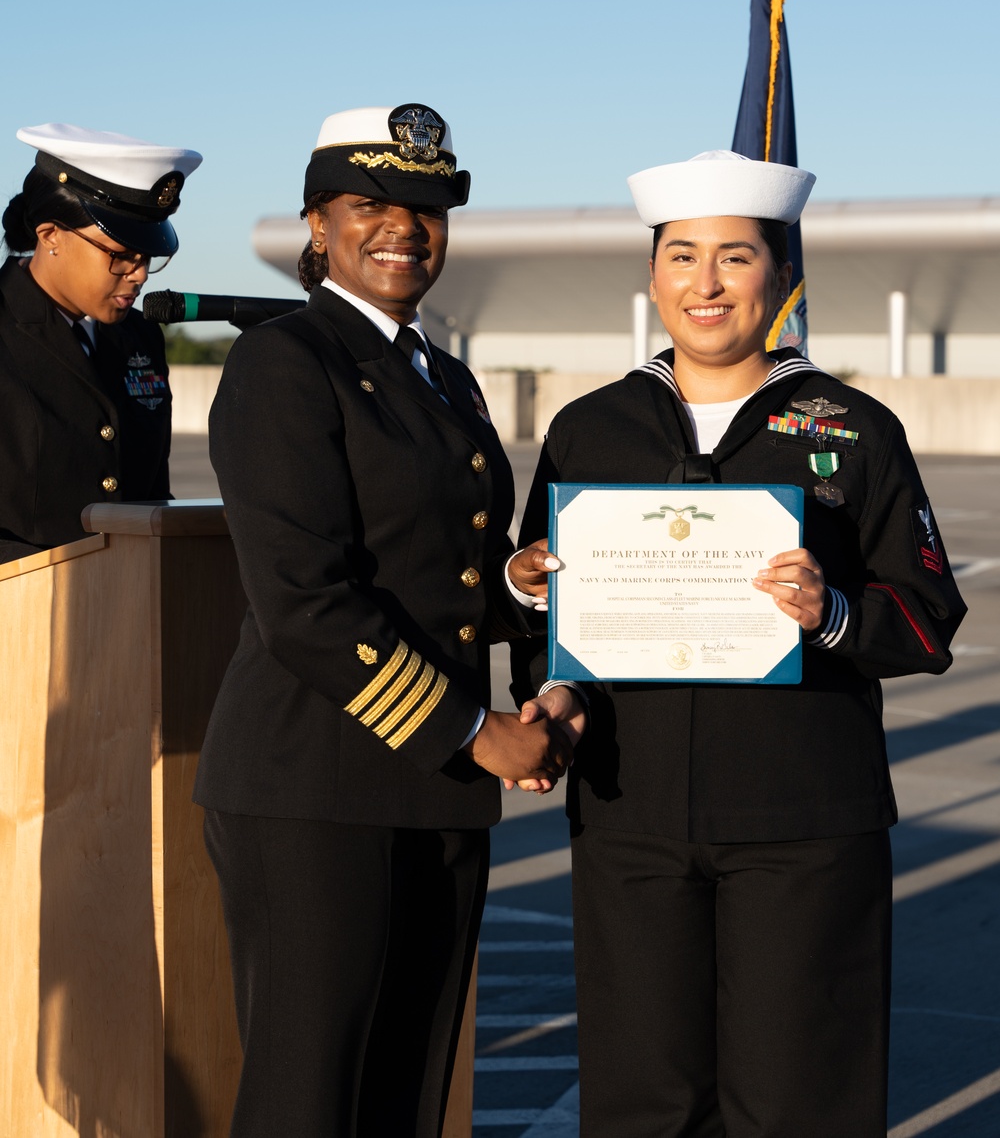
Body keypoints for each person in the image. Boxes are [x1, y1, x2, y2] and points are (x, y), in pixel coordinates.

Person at [508, 149, 966, 1138]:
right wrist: (550, 676)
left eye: (733, 257)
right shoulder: (593, 428)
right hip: (630, 818)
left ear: (777, 275)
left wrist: (833, 613)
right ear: (651, 275)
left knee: (799, 1099)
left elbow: (930, 617)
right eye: (680, 257)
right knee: (640, 1099)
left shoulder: (851, 429)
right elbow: (545, 614)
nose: (703, 285)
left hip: (802, 822)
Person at [194, 104, 573, 1138]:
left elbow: (436, 573)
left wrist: (522, 590)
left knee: (412, 1087)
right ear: (316, 224)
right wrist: (476, 730)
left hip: (433, 789)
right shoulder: (286, 362)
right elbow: (304, 600)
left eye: (428, 210)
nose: (404, 228)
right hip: (313, 785)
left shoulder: (438, 375)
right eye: (371, 205)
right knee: (308, 1092)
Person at [0, 122, 202, 566]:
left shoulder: (139, 335)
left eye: (147, 256)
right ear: (50, 235)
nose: (139, 274)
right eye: (119, 254)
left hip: (131, 601)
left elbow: (151, 496)